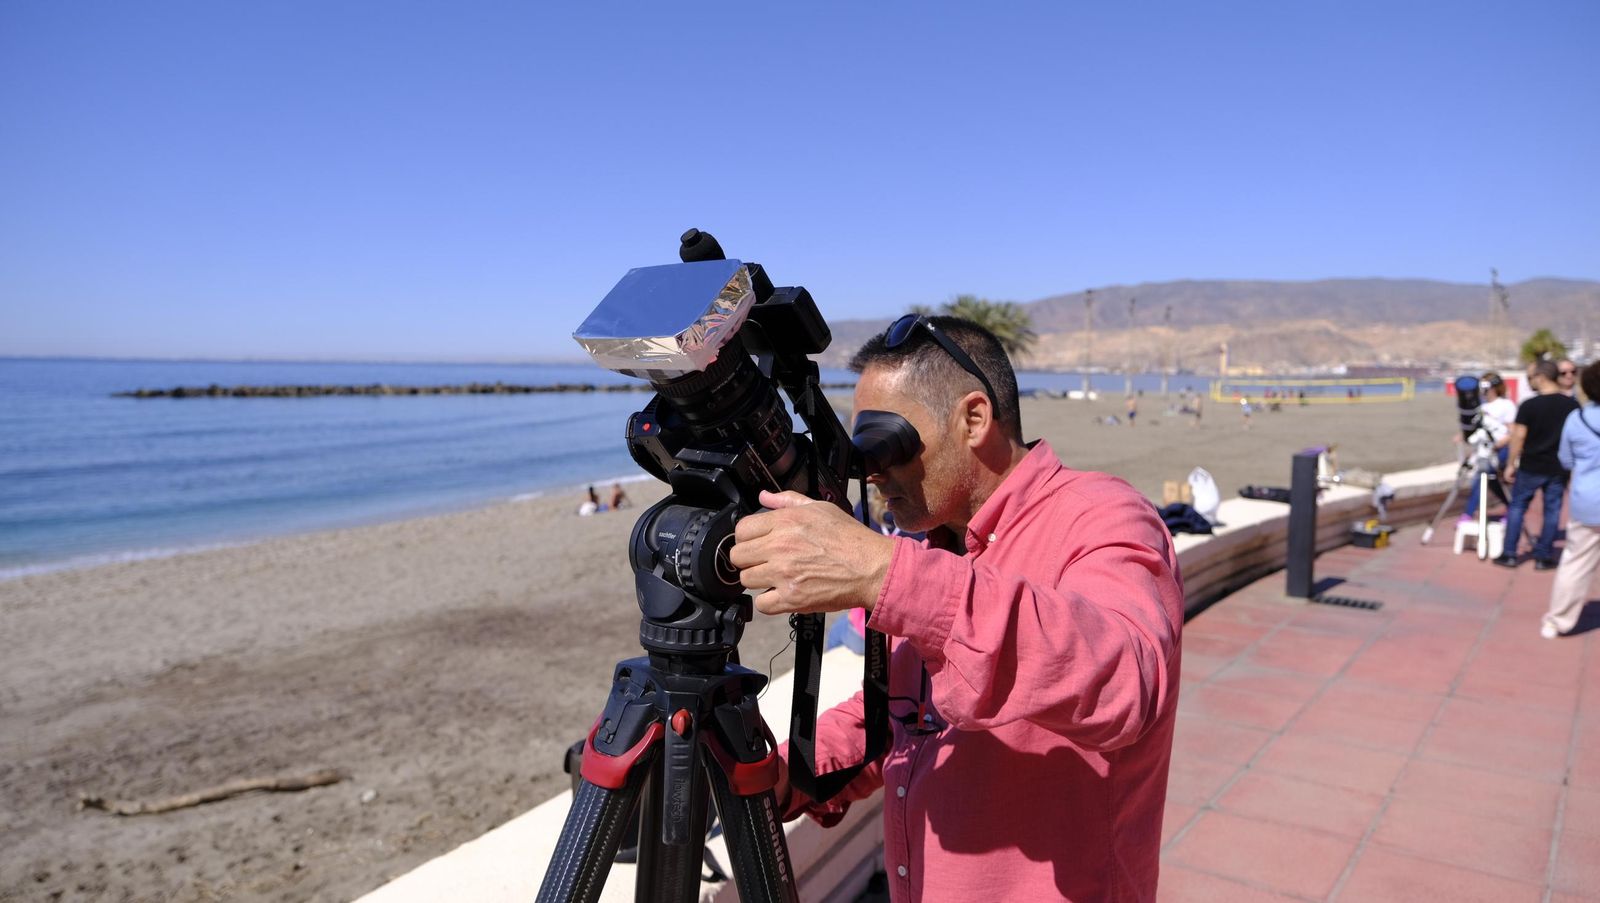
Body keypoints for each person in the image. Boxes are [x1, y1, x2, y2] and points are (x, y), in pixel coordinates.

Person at [730, 315, 1184, 901]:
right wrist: (783, 777)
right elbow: (898, 719)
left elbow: (1126, 683)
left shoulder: (1102, 516)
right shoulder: (936, 547)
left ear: (974, 419)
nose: (873, 470)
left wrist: (884, 572)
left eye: (888, 441)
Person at [1497, 360, 1580, 568]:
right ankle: (1543, 557)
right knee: (1552, 511)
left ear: (1541, 377)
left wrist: (1510, 463)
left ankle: (1509, 553)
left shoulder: (1529, 405)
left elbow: (1518, 436)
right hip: (1558, 467)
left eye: (1531, 378)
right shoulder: (1571, 405)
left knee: (1517, 507)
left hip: (1531, 466)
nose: (1529, 382)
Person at [1544, 360, 1600, 637]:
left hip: (1587, 500)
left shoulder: (1577, 419)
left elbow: (1566, 460)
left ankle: (1557, 621)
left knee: (1575, 562)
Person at [1461, 372, 1515, 521]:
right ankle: (1511, 507)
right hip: (1484, 448)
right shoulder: (1480, 406)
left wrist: (1499, 443)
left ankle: (1468, 513)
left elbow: (1512, 431)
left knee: (1483, 476)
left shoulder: (1506, 405)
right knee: (1491, 480)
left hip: (1501, 449)